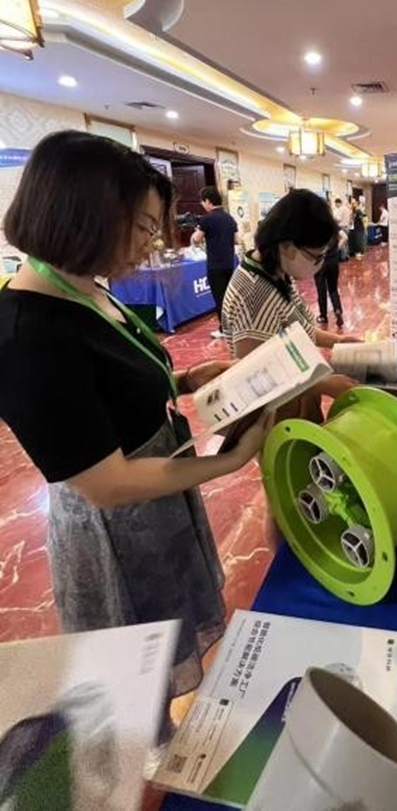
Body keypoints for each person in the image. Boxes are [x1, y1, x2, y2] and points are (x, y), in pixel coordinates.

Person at [0, 131, 272, 704]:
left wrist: (186, 378)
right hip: (117, 531)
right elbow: (107, 484)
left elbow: (109, 384)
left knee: (165, 650)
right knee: (131, 686)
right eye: (145, 226)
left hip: (158, 504)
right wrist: (230, 462)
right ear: (86, 214)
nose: (152, 243)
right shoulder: (28, 331)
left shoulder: (87, 289)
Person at [222, 188, 361, 418]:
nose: (320, 265)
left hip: (299, 398)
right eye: (316, 256)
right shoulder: (254, 297)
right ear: (286, 246)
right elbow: (255, 377)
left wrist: (338, 342)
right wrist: (325, 384)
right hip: (275, 417)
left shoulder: (277, 271)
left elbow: (294, 327)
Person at [191, 185, 238, 339]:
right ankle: (235, 325)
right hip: (229, 264)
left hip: (215, 266)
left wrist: (195, 233)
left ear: (208, 201)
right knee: (229, 297)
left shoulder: (207, 219)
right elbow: (236, 240)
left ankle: (224, 329)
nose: (202, 205)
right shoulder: (230, 218)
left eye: (202, 202)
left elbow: (196, 239)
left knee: (220, 298)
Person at [314, 232, 345, 328]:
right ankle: (337, 309)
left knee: (321, 290)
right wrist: (336, 250)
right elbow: (345, 237)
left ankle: (323, 316)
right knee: (333, 288)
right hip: (333, 262)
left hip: (319, 263)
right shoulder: (333, 226)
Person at [333, 197, 350, 261]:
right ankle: (347, 256)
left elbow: (339, 219)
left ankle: (343, 257)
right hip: (347, 226)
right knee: (346, 243)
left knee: (342, 243)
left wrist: (333, 217)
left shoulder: (340, 209)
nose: (335, 205)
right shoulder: (347, 209)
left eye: (335, 204)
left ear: (338, 203)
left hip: (341, 227)